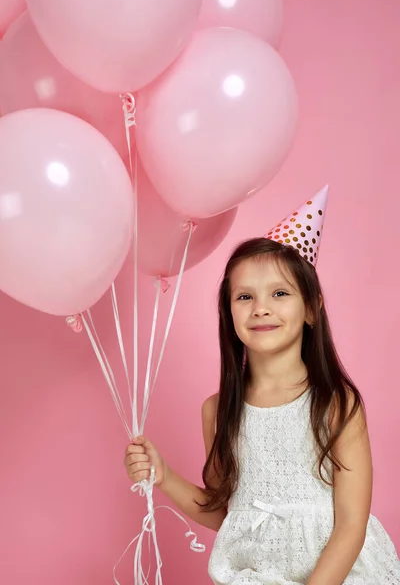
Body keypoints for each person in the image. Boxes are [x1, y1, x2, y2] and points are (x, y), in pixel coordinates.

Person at [124, 187, 400, 584]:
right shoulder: (218, 410)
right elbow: (226, 511)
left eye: (280, 293)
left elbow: (350, 527)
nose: (261, 308)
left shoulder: (336, 403)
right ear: (228, 311)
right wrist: (163, 474)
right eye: (244, 296)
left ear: (311, 308)